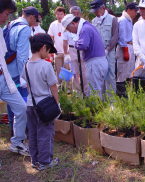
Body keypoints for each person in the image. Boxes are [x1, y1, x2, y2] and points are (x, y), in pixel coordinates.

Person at [22, 33, 59, 170]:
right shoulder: (46, 65)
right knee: (45, 133)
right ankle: (45, 162)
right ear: (43, 47)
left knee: (32, 133)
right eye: (49, 50)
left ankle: (34, 160)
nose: (49, 54)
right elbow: (53, 87)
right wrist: (57, 104)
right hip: (45, 106)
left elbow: (26, 83)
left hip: (30, 105)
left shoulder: (26, 64)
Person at [0, 0, 29, 156]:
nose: (7, 17)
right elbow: (22, 55)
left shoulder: (1, 29)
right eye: (6, 13)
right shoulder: (22, 29)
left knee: (21, 108)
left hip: (4, 79)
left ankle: (17, 142)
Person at [61, 14, 108, 97]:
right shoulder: (89, 26)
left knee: (94, 90)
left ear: (73, 23)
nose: (70, 31)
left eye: (69, 29)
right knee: (99, 89)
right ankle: (101, 108)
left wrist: (75, 43)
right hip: (99, 61)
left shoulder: (85, 29)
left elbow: (83, 45)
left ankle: (96, 109)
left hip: (94, 62)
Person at [90, 0, 119, 93]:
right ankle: (101, 100)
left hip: (109, 52)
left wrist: (107, 50)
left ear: (102, 8)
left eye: (96, 10)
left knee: (110, 75)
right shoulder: (93, 21)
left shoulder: (113, 19)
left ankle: (112, 102)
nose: (95, 13)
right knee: (99, 76)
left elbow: (115, 36)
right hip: (98, 53)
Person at [116, 3, 138, 83]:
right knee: (122, 71)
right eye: (135, 11)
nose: (136, 13)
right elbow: (122, 36)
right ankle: (120, 91)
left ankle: (126, 90)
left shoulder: (129, 20)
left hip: (130, 46)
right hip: (124, 47)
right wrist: (125, 50)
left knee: (129, 72)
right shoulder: (122, 20)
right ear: (129, 10)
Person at [63, 6, 83, 92]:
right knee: (74, 72)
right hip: (72, 49)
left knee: (84, 70)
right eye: (73, 13)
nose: (75, 15)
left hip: (82, 49)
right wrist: (66, 54)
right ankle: (76, 90)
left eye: (77, 13)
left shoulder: (83, 24)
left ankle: (85, 89)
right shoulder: (66, 25)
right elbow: (65, 42)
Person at [48, 7, 66, 84]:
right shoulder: (53, 24)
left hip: (67, 52)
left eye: (61, 14)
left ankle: (69, 90)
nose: (59, 16)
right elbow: (50, 38)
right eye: (57, 14)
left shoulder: (67, 23)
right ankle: (60, 89)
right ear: (55, 15)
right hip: (57, 52)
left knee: (67, 72)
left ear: (64, 14)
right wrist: (51, 52)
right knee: (58, 71)